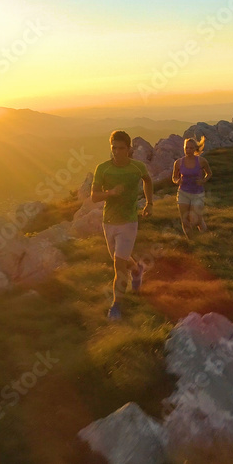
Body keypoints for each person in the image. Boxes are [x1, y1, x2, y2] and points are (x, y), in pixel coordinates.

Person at [90, 130, 153, 321]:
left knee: (118, 266)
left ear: (129, 149)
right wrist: (110, 193)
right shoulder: (103, 168)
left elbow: (147, 180)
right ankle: (137, 270)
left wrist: (150, 203)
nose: (116, 152)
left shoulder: (137, 167)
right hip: (108, 222)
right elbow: (94, 197)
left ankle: (116, 305)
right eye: (113, 148)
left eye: (121, 148)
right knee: (122, 262)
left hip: (128, 222)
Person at [171, 137, 212, 239]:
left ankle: (202, 229)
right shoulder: (178, 163)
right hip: (183, 193)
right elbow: (174, 177)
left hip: (197, 193)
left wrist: (203, 180)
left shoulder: (202, 161)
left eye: (191, 148)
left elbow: (209, 173)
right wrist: (177, 181)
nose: (188, 150)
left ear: (195, 149)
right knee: (185, 220)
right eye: (186, 148)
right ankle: (192, 241)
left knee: (196, 220)